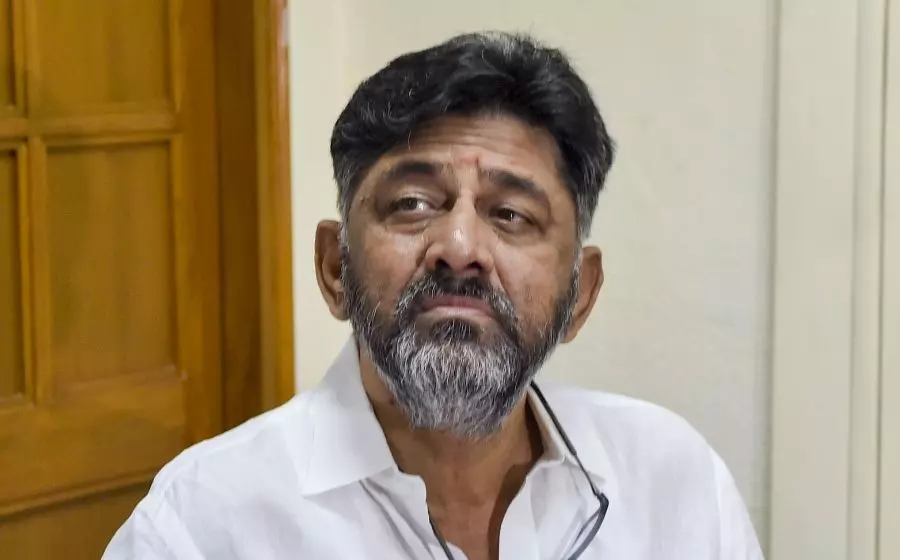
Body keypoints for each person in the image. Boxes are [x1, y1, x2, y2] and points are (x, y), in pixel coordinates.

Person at [103, 31, 763, 560]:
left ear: (580, 295)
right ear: (335, 268)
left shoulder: (673, 483)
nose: (460, 245)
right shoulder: (202, 523)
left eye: (511, 214)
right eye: (413, 204)